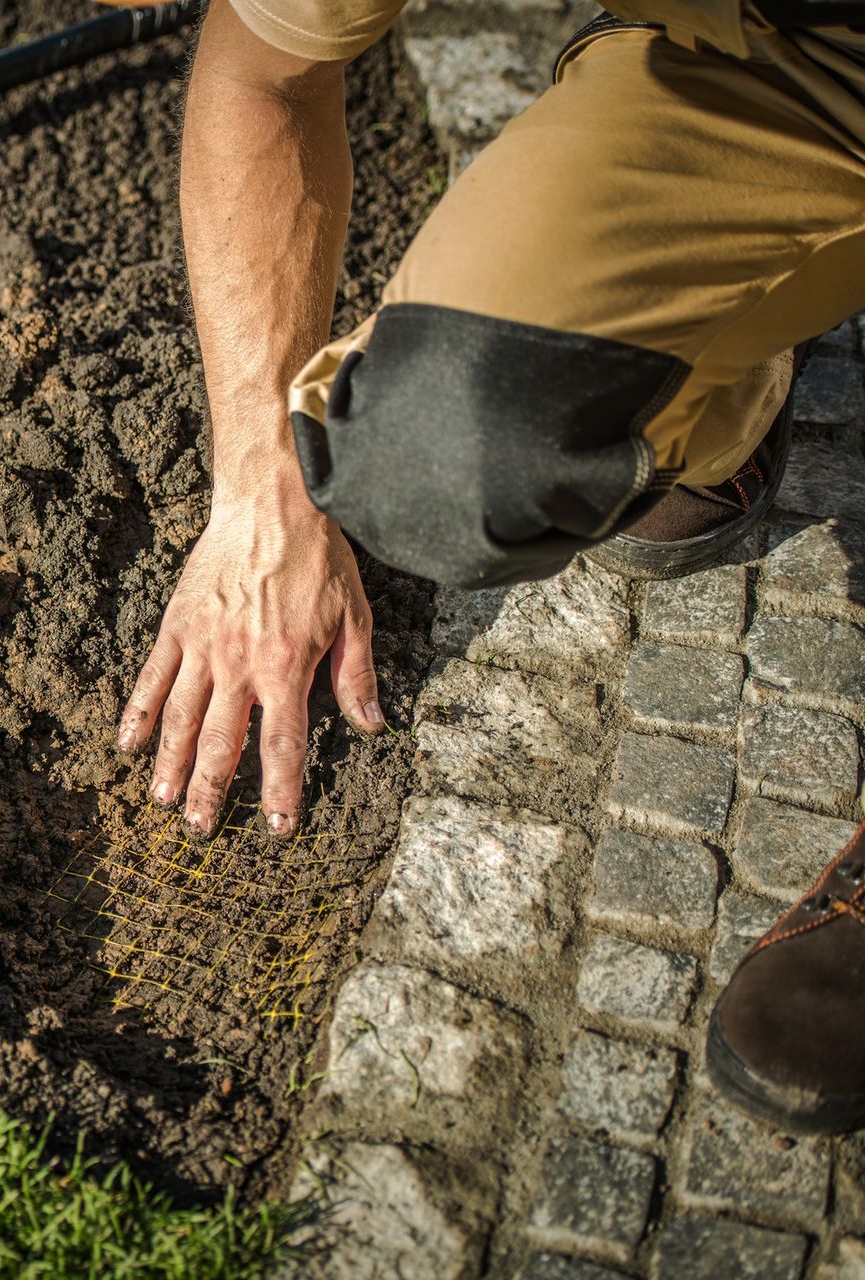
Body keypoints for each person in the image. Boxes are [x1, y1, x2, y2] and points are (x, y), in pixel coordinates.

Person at [113, 0, 865, 1132]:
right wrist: (263, 493)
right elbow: (259, 77)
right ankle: (723, 377)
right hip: (785, 54)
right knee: (431, 446)